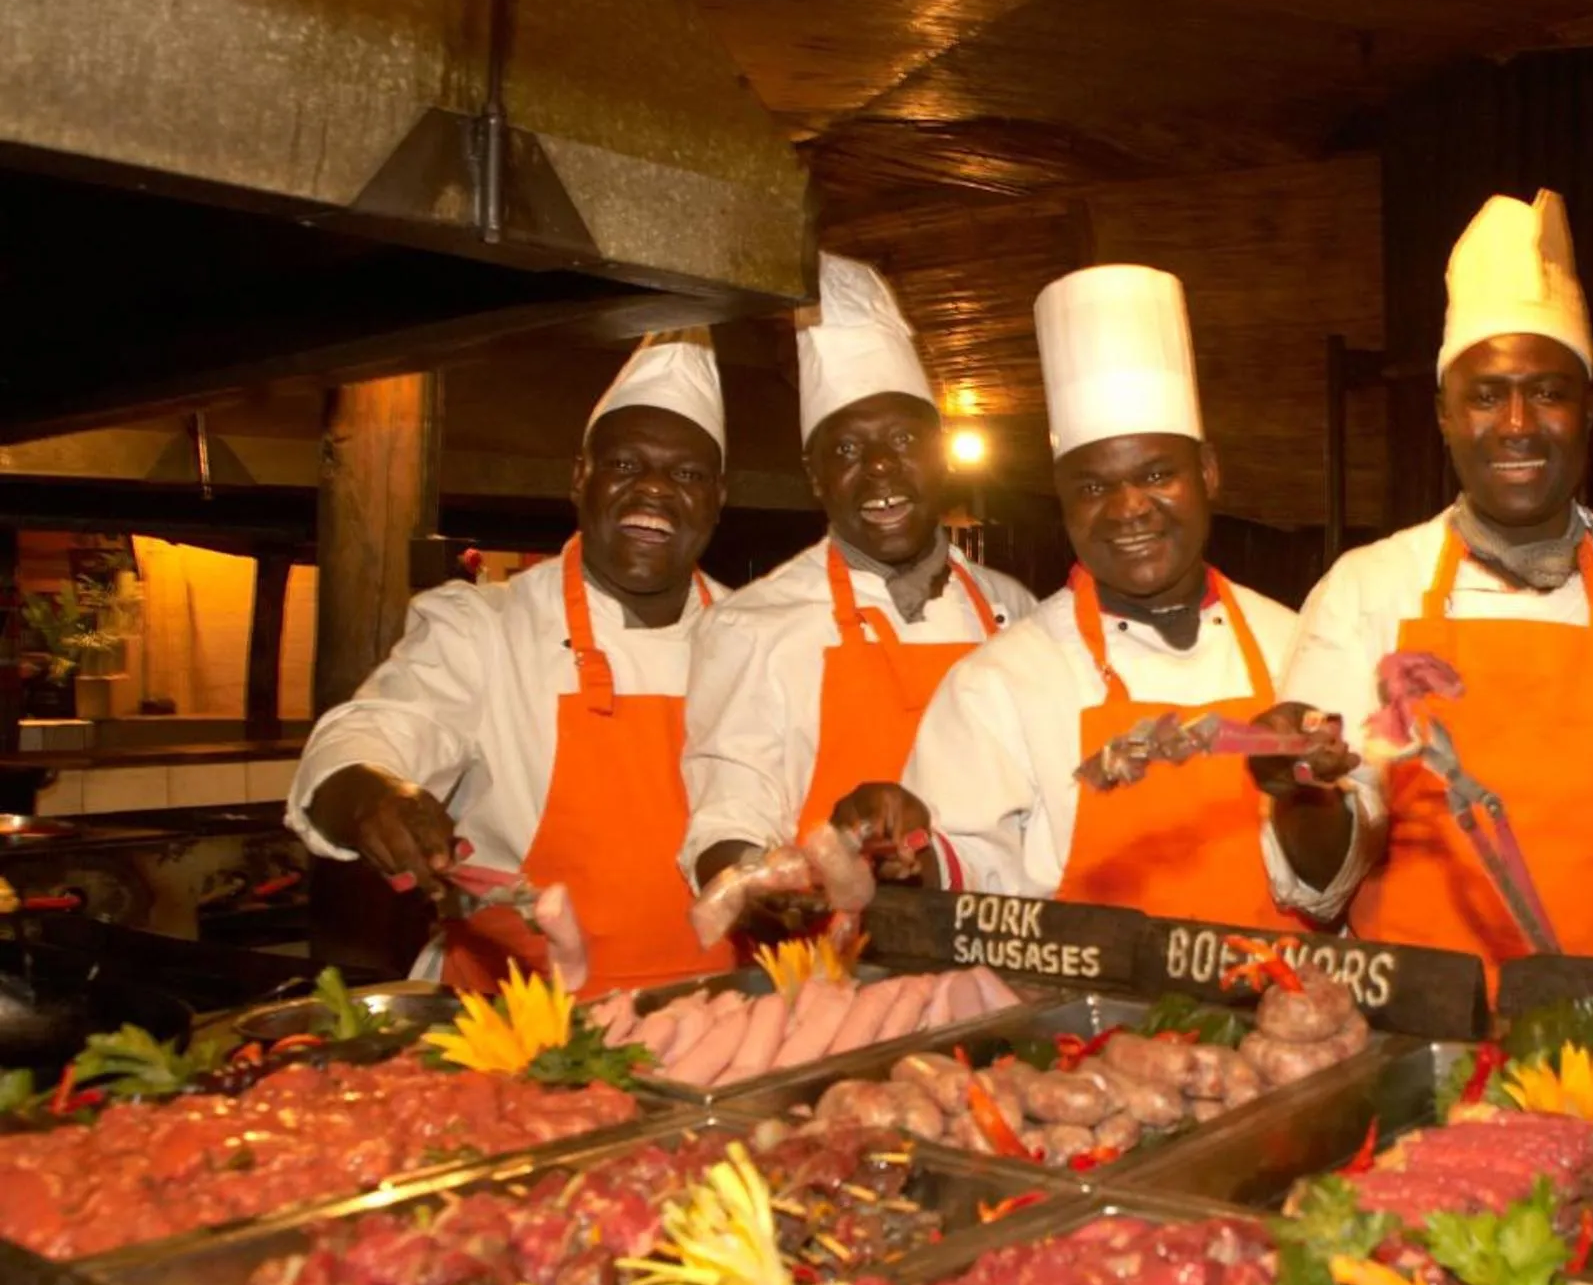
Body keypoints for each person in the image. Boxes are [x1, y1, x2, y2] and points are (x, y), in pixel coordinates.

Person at [1258, 189, 1593, 971]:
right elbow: (1313, 885)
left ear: (1590, 407)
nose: (1517, 423)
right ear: (1444, 415)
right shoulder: (1367, 589)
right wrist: (1299, 790)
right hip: (1403, 1041)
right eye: (1485, 396)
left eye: (1548, 392)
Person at [837, 264, 1304, 926]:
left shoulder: (1297, 646)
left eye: (1156, 473)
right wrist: (915, 852)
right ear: (1062, 502)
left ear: (1207, 473)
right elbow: (969, 863)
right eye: (1092, 487)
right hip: (1083, 1021)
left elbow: (1340, 870)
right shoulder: (1000, 680)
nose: (1128, 508)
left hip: (1287, 1010)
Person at [288, 332, 730, 994]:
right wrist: (374, 795)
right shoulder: (483, 629)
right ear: (580, 477)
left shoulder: (759, 641)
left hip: (726, 1028)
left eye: (688, 474)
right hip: (515, 1028)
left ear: (717, 498)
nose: (656, 491)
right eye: (626, 465)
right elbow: (374, 730)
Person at [679, 255, 1034, 916]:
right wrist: (754, 885)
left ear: (941, 451)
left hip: (1001, 964)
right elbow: (730, 809)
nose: (878, 467)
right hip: (827, 974)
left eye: (903, 438)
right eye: (845, 451)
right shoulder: (753, 625)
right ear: (814, 476)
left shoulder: (1014, 609)